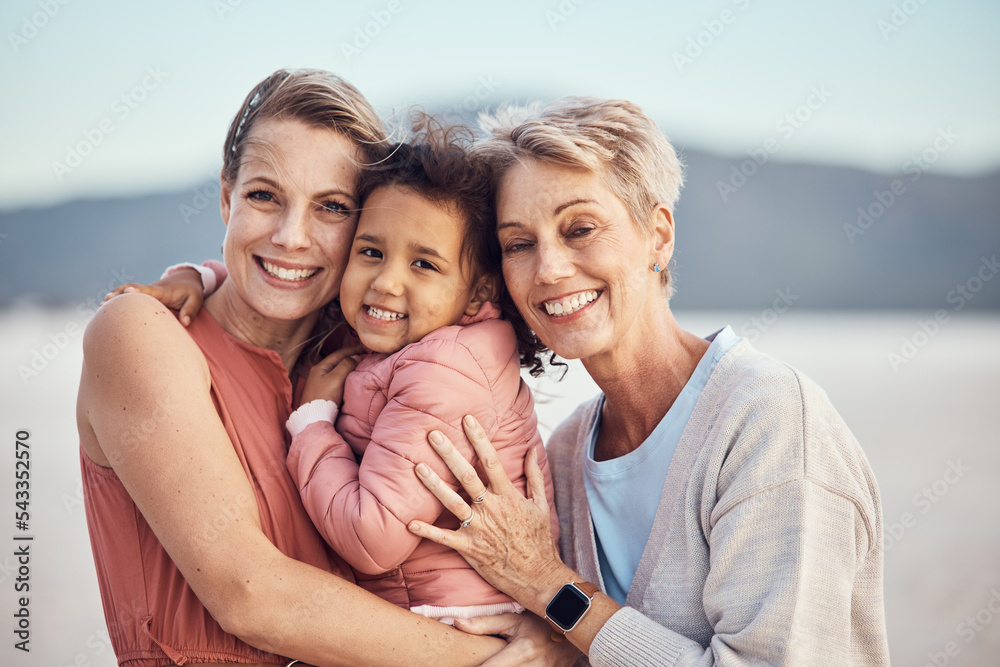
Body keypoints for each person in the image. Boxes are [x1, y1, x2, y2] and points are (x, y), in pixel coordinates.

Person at [407, 98, 891, 665]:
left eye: (580, 228)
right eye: (520, 244)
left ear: (658, 237)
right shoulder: (564, 451)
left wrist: (548, 587)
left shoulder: (769, 417)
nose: (549, 269)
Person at [79, 68, 531, 667]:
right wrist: (508, 657)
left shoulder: (364, 352)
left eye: (331, 207)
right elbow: (251, 597)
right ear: (226, 199)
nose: (292, 237)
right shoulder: (140, 333)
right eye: (264, 196)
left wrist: (551, 604)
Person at [281, 120, 560, 623]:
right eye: (370, 253)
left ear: (478, 291)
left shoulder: (442, 369)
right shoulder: (411, 343)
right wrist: (197, 277)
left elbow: (373, 539)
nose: (385, 282)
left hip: (455, 626)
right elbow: (287, 291)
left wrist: (312, 423)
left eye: (424, 265)